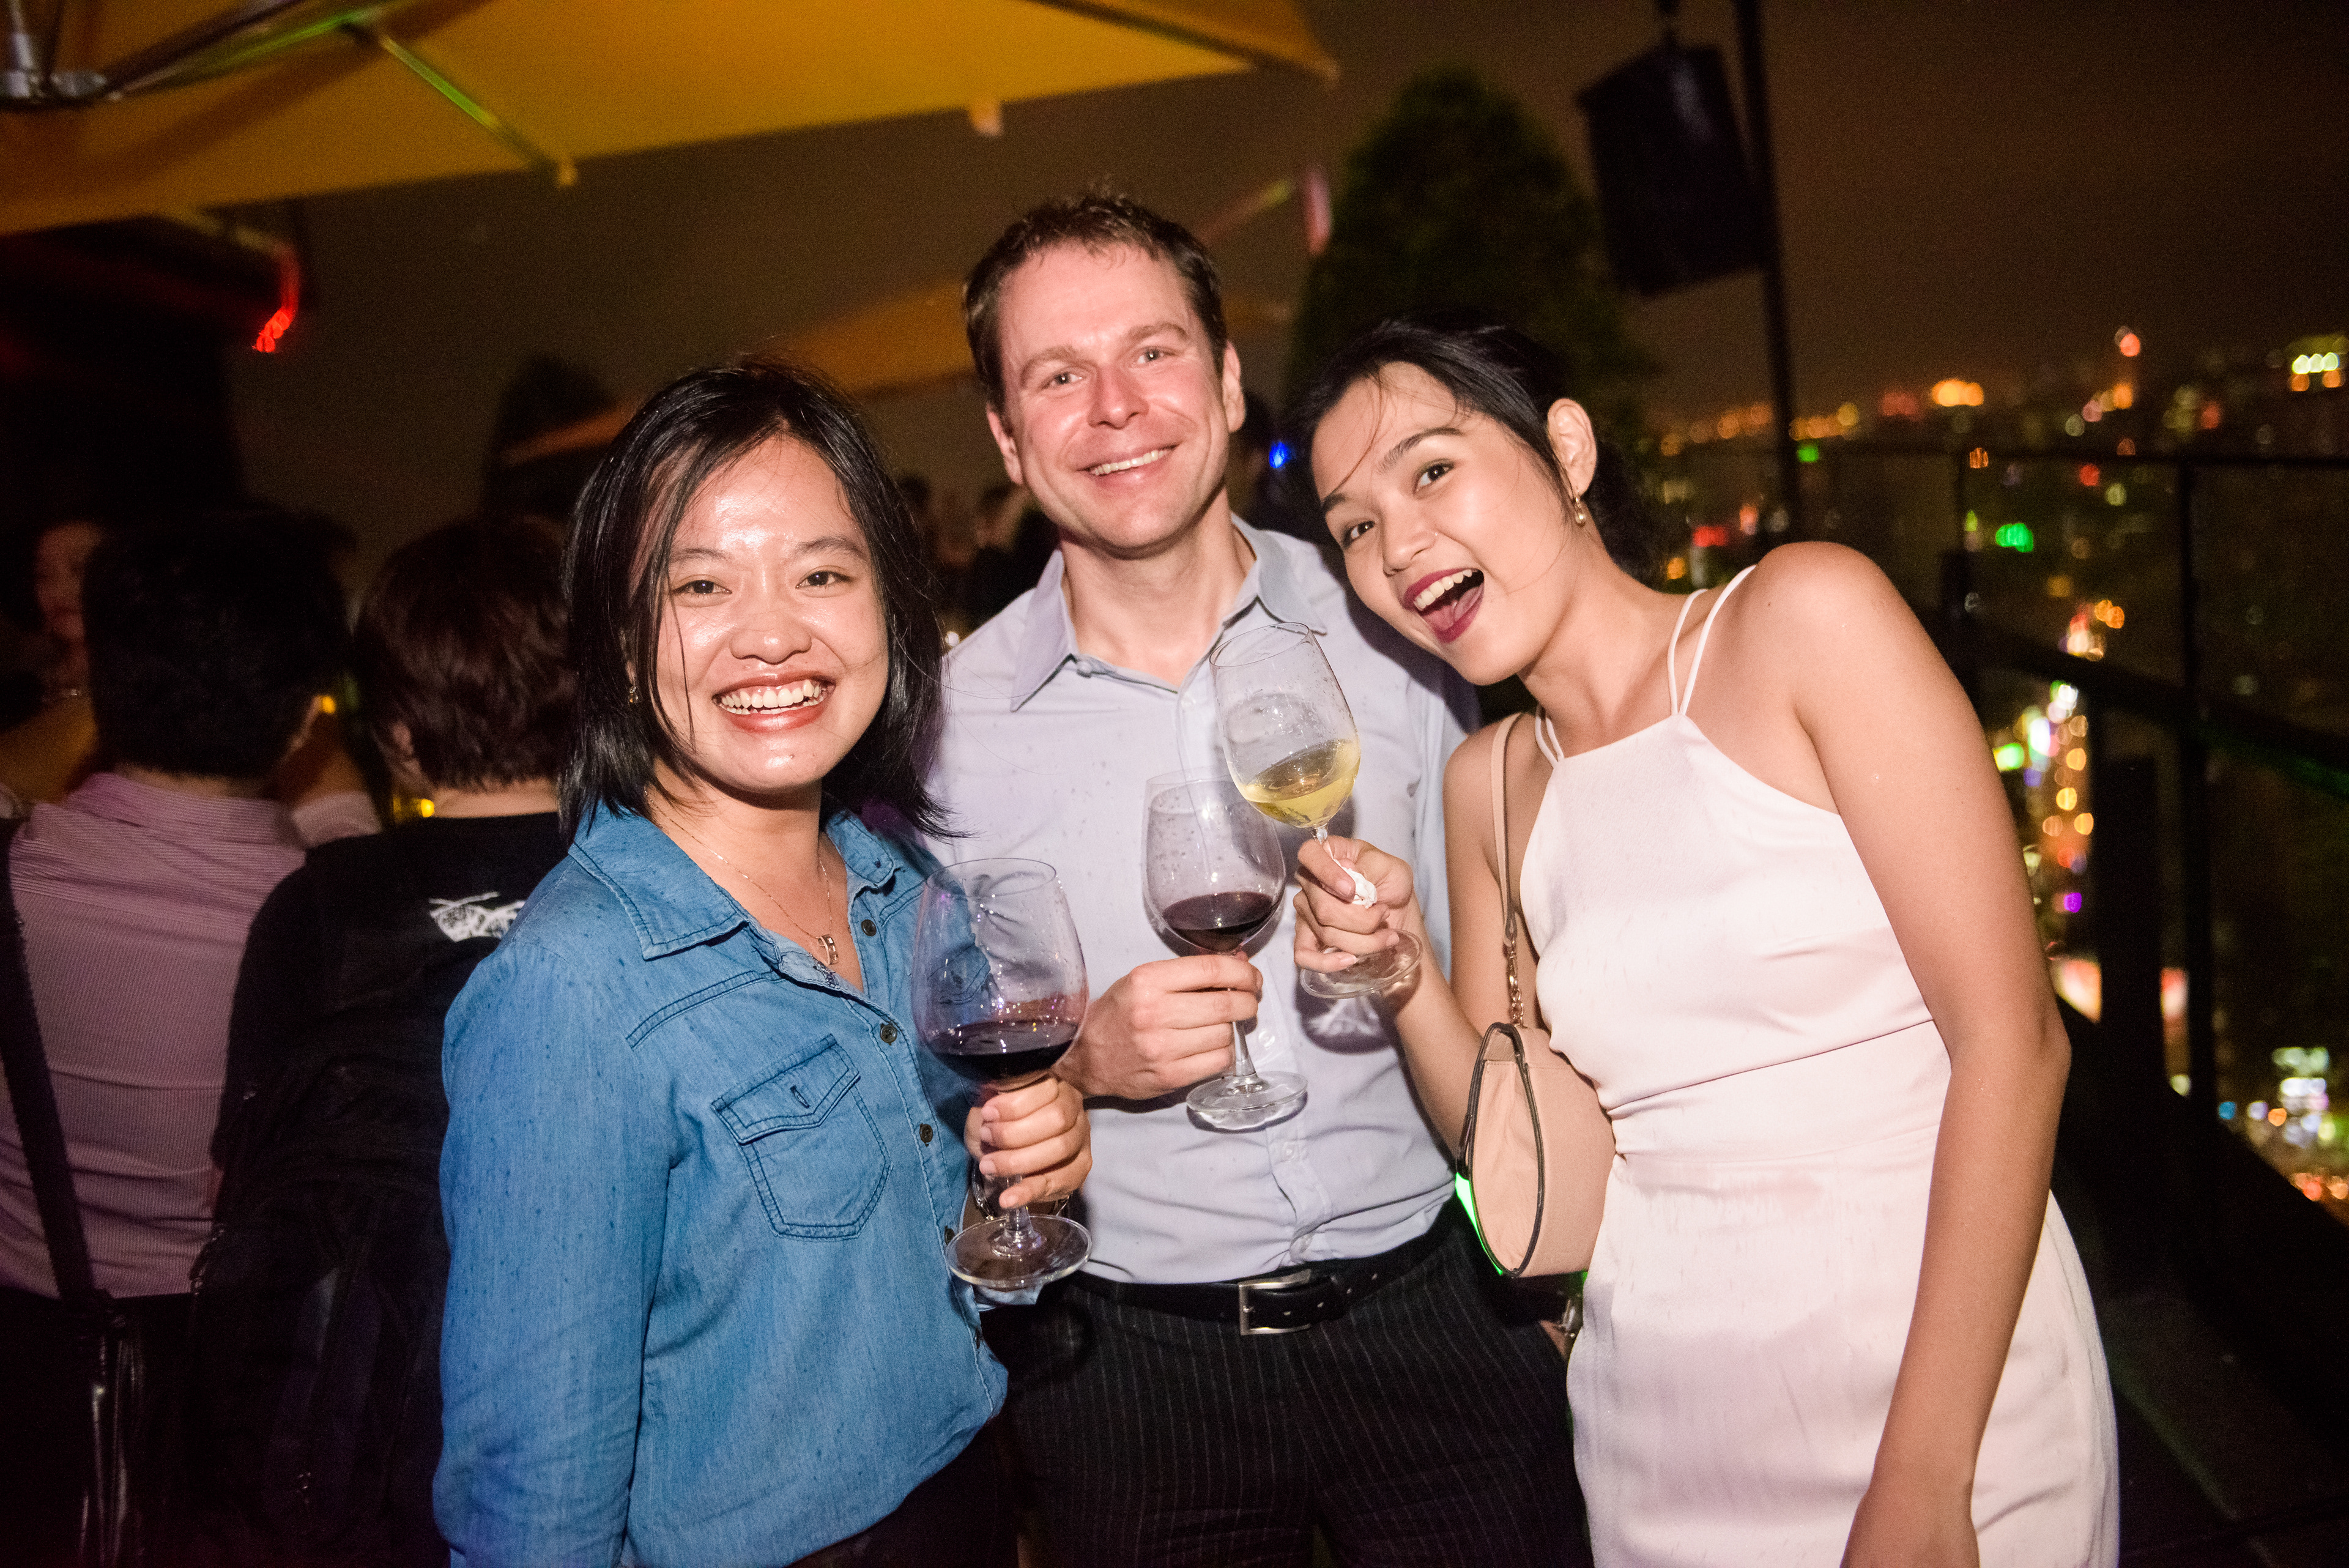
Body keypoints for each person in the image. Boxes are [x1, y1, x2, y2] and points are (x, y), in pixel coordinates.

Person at [1285, 314, 2120, 1566]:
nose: (1398, 545)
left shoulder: (1799, 620)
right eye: (1353, 525)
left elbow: (2015, 1041)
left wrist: (1927, 1472)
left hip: (1941, 1378)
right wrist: (1404, 980)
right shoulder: (1488, 784)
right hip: (1661, 1418)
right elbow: (1519, 1147)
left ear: (1566, 450)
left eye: (1434, 470)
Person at [927, 191, 1582, 1567]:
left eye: (1153, 351)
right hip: (1135, 1382)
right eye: (1058, 375)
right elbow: (926, 1083)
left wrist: (1565, 1272)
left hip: (1446, 1324)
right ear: (1006, 435)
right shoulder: (943, 733)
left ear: (1227, 383)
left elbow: (1524, 987)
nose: (1116, 406)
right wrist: (1076, 1067)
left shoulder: (1403, 625)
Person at [433, 360, 1093, 1566]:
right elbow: (532, 1499)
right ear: (619, 643)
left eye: (823, 573)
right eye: (701, 584)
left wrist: (1019, 1180)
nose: (775, 632)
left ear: (889, 605)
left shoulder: (907, 892)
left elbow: (914, 1264)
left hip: (967, 1507)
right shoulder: (572, 989)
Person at [189, 516, 576, 1566]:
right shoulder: (653, 882)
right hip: (588, 1392)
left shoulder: (316, 904)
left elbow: (238, 1175)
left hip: (365, 1411)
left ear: (396, 732)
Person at [0, 513, 354, 1566]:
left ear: (100, 690)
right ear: (298, 724)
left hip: (28, 1377)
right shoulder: (331, 926)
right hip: (240, 1386)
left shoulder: (17, 881)